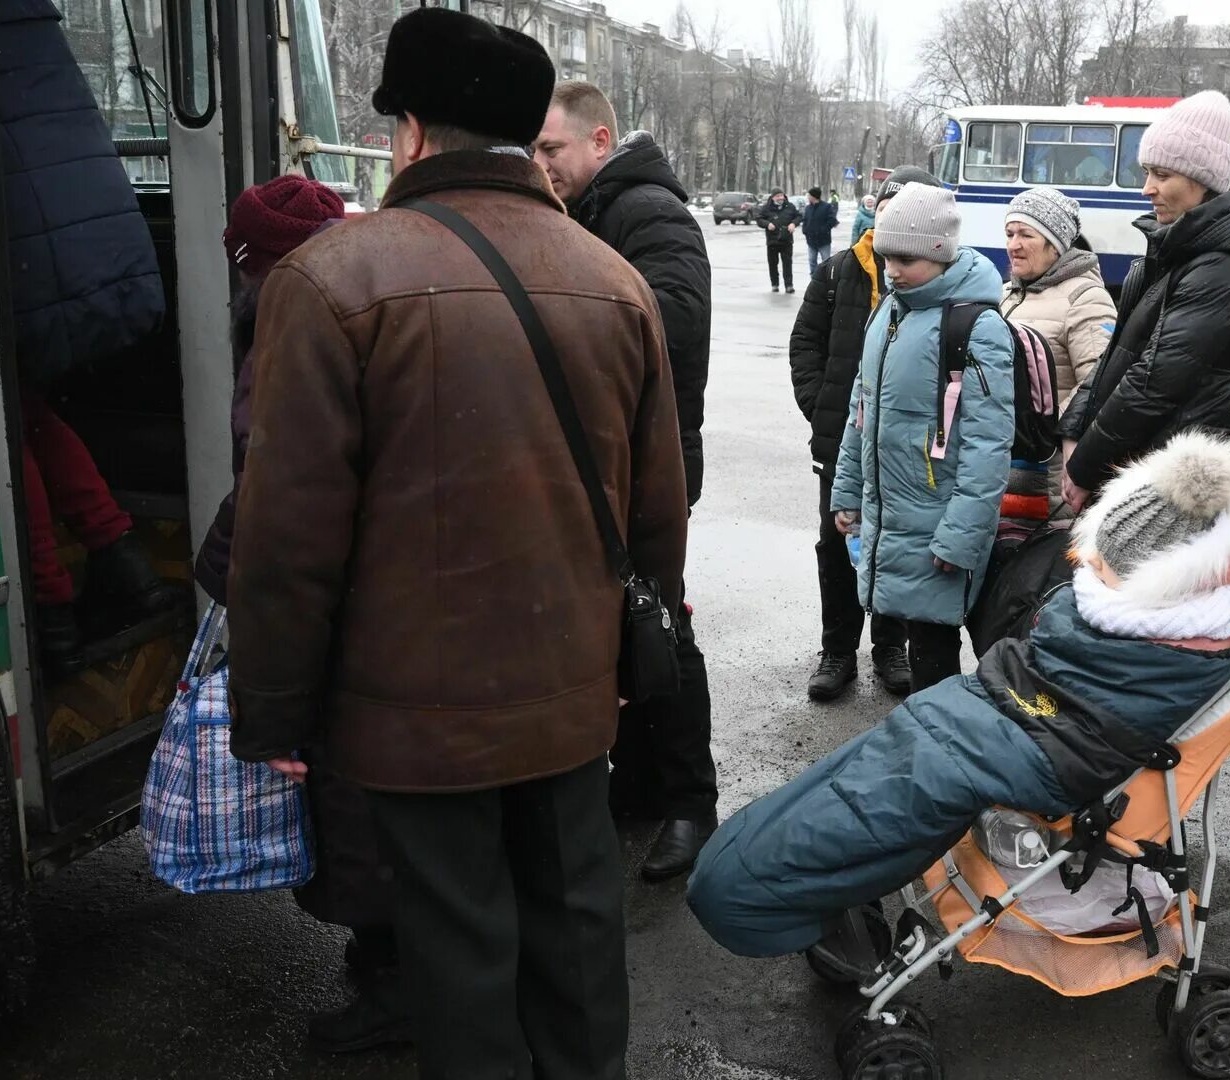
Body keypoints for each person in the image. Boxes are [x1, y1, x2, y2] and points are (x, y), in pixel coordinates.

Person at [226, 10, 687, 1078]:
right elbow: (656, 511)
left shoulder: (331, 280)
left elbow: (289, 531)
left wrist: (277, 708)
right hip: (572, 696)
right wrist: (626, 666)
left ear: (411, 133)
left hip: (410, 714)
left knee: (458, 948)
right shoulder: (615, 282)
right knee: (577, 930)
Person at [689, 435, 1230, 958]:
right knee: (914, 738)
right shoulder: (1146, 617)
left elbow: (1104, 708)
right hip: (1021, 704)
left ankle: (763, 891)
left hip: (1047, 737)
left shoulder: (1186, 641)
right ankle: (794, 879)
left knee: (920, 765)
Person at [193, 176, 404, 1054]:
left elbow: (281, 494)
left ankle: (397, 988)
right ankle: (390, 962)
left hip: (344, 604)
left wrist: (228, 572)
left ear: (253, 263)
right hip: (383, 595)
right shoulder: (372, 293)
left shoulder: (288, 327)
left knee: (354, 797)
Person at [536, 80, 719, 880]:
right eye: (534, 151)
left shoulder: (649, 211)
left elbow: (675, 323)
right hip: (607, 460)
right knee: (622, 624)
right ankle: (642, 784)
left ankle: (691, 803)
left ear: (600, 142)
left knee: (658, 625)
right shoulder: (590, 212)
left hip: (650, 467)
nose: (542, 164)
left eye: (553, 149)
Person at [0, 0, 173, 676]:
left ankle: (52, 608)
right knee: (33, 413)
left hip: (23, 254)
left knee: (4, 424)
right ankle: (122, 559)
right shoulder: (29, 27)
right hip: (88, 247)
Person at [828, 182, 1014, 692]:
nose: (891, 270)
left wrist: (960, 537)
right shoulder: (887, 312)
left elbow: (987, 449)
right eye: (887, 256)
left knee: (934, 657)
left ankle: (940, 754)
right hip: (889, 517)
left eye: (904, 259)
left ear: (938, 252)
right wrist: (847, 493)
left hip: (938, 528)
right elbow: (858, 413)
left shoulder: (977, 326)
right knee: (912, 643)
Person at [1058, 90, 1230, 514]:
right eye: (1147, 172)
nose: (1147, 189)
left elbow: (1153, 382)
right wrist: (1074, 428)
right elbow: (1119, 356)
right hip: (1150, 467)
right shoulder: (1179, 250)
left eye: (1161, 174)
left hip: (1172, 486)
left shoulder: (1219, 267)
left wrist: (1086, 466)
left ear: (1202, 180)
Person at [787, 166, 940, 703]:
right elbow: (805, 346)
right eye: (886, 206)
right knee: (837, 544)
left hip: (903, 451)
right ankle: (837, 651)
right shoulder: (836, 273)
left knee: (894, 544)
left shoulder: (930, 281)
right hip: (840, 446)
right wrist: (823, 411)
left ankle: (889, 648)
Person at [1000, 187, 1118, 515]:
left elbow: (1099, 384)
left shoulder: (1086, 298)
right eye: (1009, 233)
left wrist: (1042, 428)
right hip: (1001, 473)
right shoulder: (1007, 293)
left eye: (1026, 234)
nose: (1013, 245)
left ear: (1057, 244)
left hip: (1048, 481)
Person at [758, 189, 802, 292]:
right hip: (772, 241)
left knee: (787, 263)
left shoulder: (790, 206)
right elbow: (759, 219)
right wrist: (767, 224)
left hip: (786, 240)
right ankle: (775, 284)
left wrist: (793, 223)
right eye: (777, 196)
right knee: (773, 264)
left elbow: (798, 217)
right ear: (773, 197)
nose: (780, 198)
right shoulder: (767, 208)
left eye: (781, 195)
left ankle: (789, 285)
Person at [801, 186, 840, 275]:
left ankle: (826, 281)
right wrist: (805, 231)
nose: (808, 197)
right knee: (812, 261)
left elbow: (832, 220)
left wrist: (823, 230)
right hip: (811, 240)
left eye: (809, 195)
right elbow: (805, 221)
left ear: (814, 196)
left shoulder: (826, 207)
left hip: (824, 241)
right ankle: (814, 282)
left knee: (826, 262)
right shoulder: (808, 208)